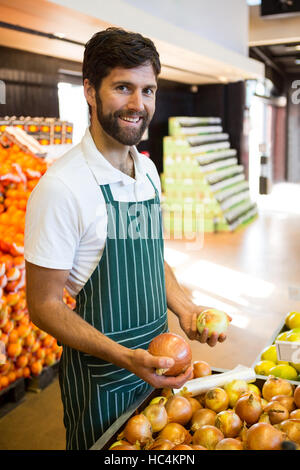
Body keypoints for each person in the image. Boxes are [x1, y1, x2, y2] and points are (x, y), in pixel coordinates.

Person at [24, 27, 229, 450]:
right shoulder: (62, 187)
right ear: (89, 91)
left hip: (163, 369)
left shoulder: (149, 172)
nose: (139, 105)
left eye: (148, 90)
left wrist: (186, 309)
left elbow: (151, 256)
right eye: (123, 87)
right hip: (106, 384)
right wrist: (126, 358)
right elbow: (42, 307)